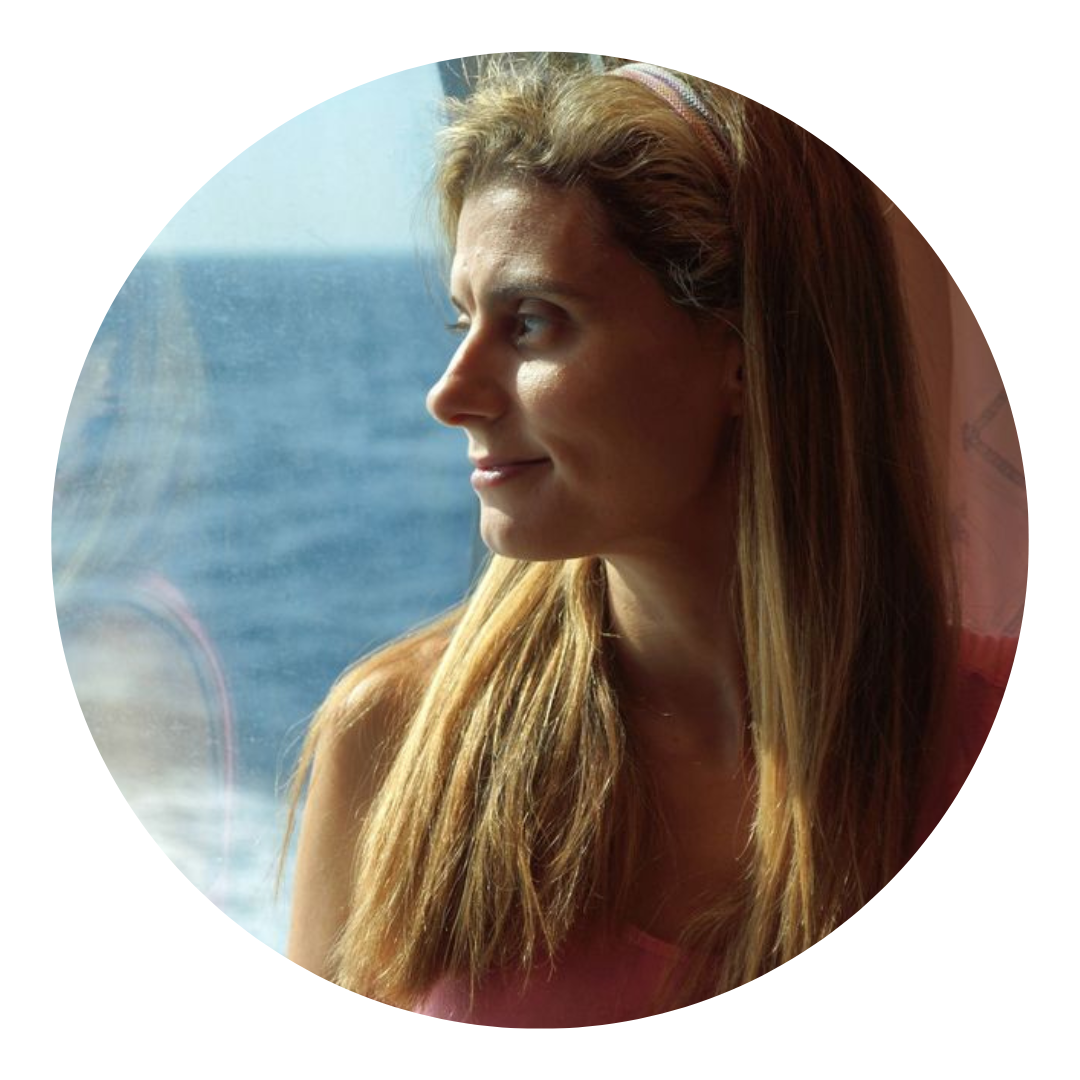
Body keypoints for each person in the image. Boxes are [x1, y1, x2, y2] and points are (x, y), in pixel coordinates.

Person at [285, 57, 1017, 1026]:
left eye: (532, 323)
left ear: (741, 353)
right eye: (464, 320)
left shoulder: (992, 736)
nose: (450, 394)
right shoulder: (393, 739)